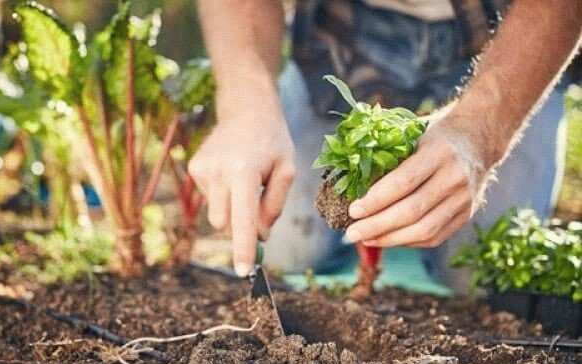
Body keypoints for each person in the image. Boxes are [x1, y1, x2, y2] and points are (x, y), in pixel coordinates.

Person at [189, 0, 582, 291]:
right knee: (291, 252)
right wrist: (245, 97)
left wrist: (482, 132)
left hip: (510, 29)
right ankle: (378, 252)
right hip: (343, 30)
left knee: (479, 279)